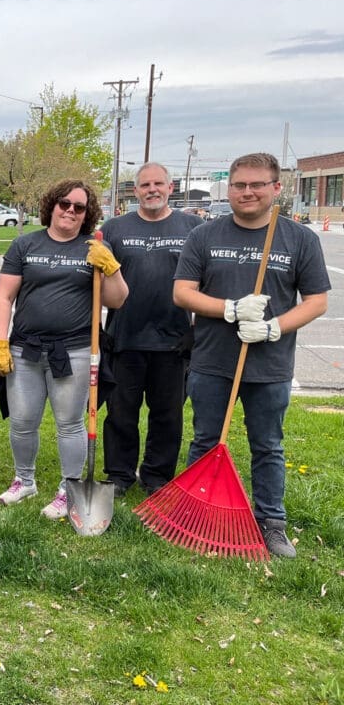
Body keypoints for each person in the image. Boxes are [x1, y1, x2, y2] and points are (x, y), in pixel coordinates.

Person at [173, 152, 330, 558]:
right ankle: (198, 513)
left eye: (257, 184)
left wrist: (275, 326)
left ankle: (271, 522)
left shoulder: (299, 238)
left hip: (271, 365)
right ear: (230, 188)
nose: (248, 192)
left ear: (276, 188)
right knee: (206, 440)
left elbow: (316, 301)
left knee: (268, 445)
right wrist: (228, 308)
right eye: (240, 184)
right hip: (211, 361)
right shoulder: (205, 235)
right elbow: (182, 292)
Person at [0, 179, 128, 520]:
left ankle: (69, 488)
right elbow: (4, 297)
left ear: (86, 214)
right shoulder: (25, 245)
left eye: (79, 207)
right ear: (51, 206)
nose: (70, 210)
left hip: (76, 351)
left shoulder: (95, 247)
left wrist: (110, 267)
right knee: (22, 421)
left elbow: (117, 299)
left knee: (69, 423)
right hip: (26, 351)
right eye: (64, 203)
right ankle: (25, 480)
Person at [100, 162, 204, 496]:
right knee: (120, 414)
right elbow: (100, 282)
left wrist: (196, 329)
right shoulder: (114, 228)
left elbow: (206, 282)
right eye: (144, 185)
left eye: (158, 184)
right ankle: (119, 475)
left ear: (171, 187)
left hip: (174, 340)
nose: (151, 190)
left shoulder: (193, 227)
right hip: (124, 337)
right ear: (136, 190)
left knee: (167, 415)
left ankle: (157, 476)